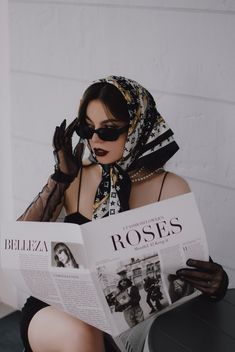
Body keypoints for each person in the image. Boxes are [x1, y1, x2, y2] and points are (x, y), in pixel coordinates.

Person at [18, 75, 229, 352]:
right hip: (57, 311)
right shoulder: (77, 176)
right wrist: (61, 178)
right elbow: (22, 240)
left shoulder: (170, 186)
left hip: (124, 321)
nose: (94, 140)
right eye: (87, 128)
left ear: (138, 127)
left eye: (108, 130)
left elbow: (188, 263)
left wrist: (217, 282)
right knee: (81, 334)